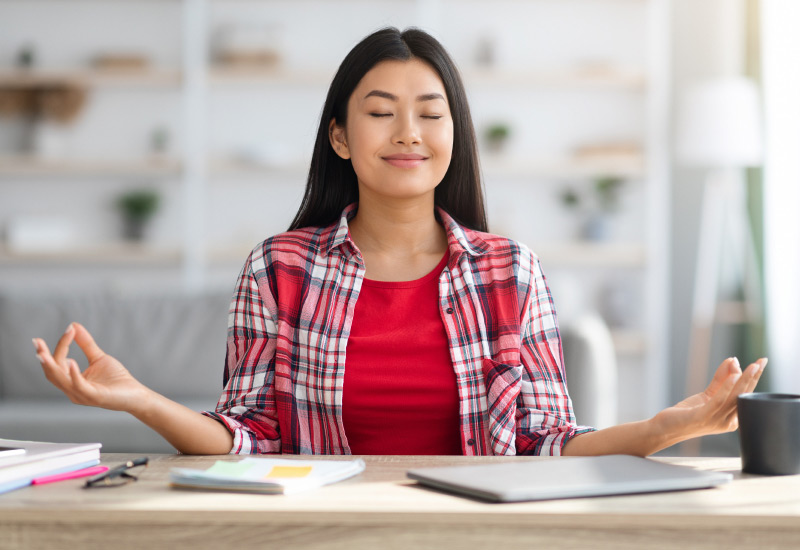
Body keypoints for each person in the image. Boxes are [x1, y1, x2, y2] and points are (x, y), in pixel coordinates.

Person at [32, 27, 765, 457]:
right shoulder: (280, 267)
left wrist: (658, 429)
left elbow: (546, 445)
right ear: (342, 137)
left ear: (454, 134)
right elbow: (249, 438)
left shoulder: (511, 271)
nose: (409, 132)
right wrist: (142, 402)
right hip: (326, 532)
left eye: (429, 113)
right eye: (381, 113)